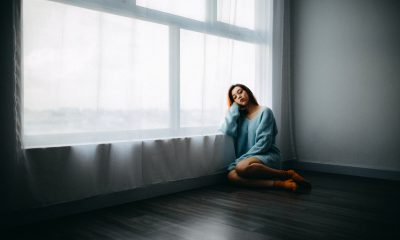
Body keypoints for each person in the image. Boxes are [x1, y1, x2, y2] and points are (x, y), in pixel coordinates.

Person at [219, 84, 311, 193]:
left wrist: (240, 161)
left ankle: (286, 174)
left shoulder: (265, 111)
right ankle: (278, 184)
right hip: (248, 161)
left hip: (266, 155)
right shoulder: (239, 118)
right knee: (231, 176)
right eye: (234, 97)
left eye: (240, 92)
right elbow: (226, 129)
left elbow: (264, 143)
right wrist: (234, 107)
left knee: (240, 167)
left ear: (247, 91)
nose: (238, 96)